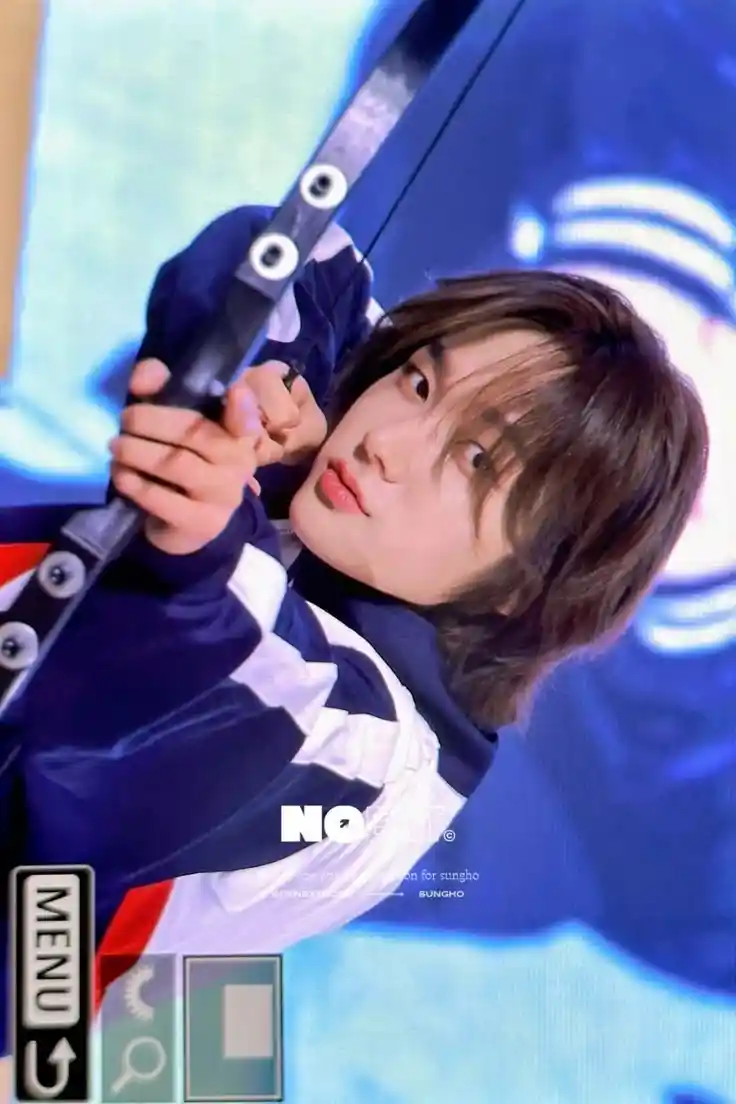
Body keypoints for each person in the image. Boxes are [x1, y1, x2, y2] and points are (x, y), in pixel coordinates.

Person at [0, 204, 706, 1046]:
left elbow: (221, 694)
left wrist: (209, 530)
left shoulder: (382, 771)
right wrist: (274, 393)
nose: (387, 443)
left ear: (529, 585)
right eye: (419, 383)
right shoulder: (347, 515)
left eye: (478, 461)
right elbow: (286, 251)